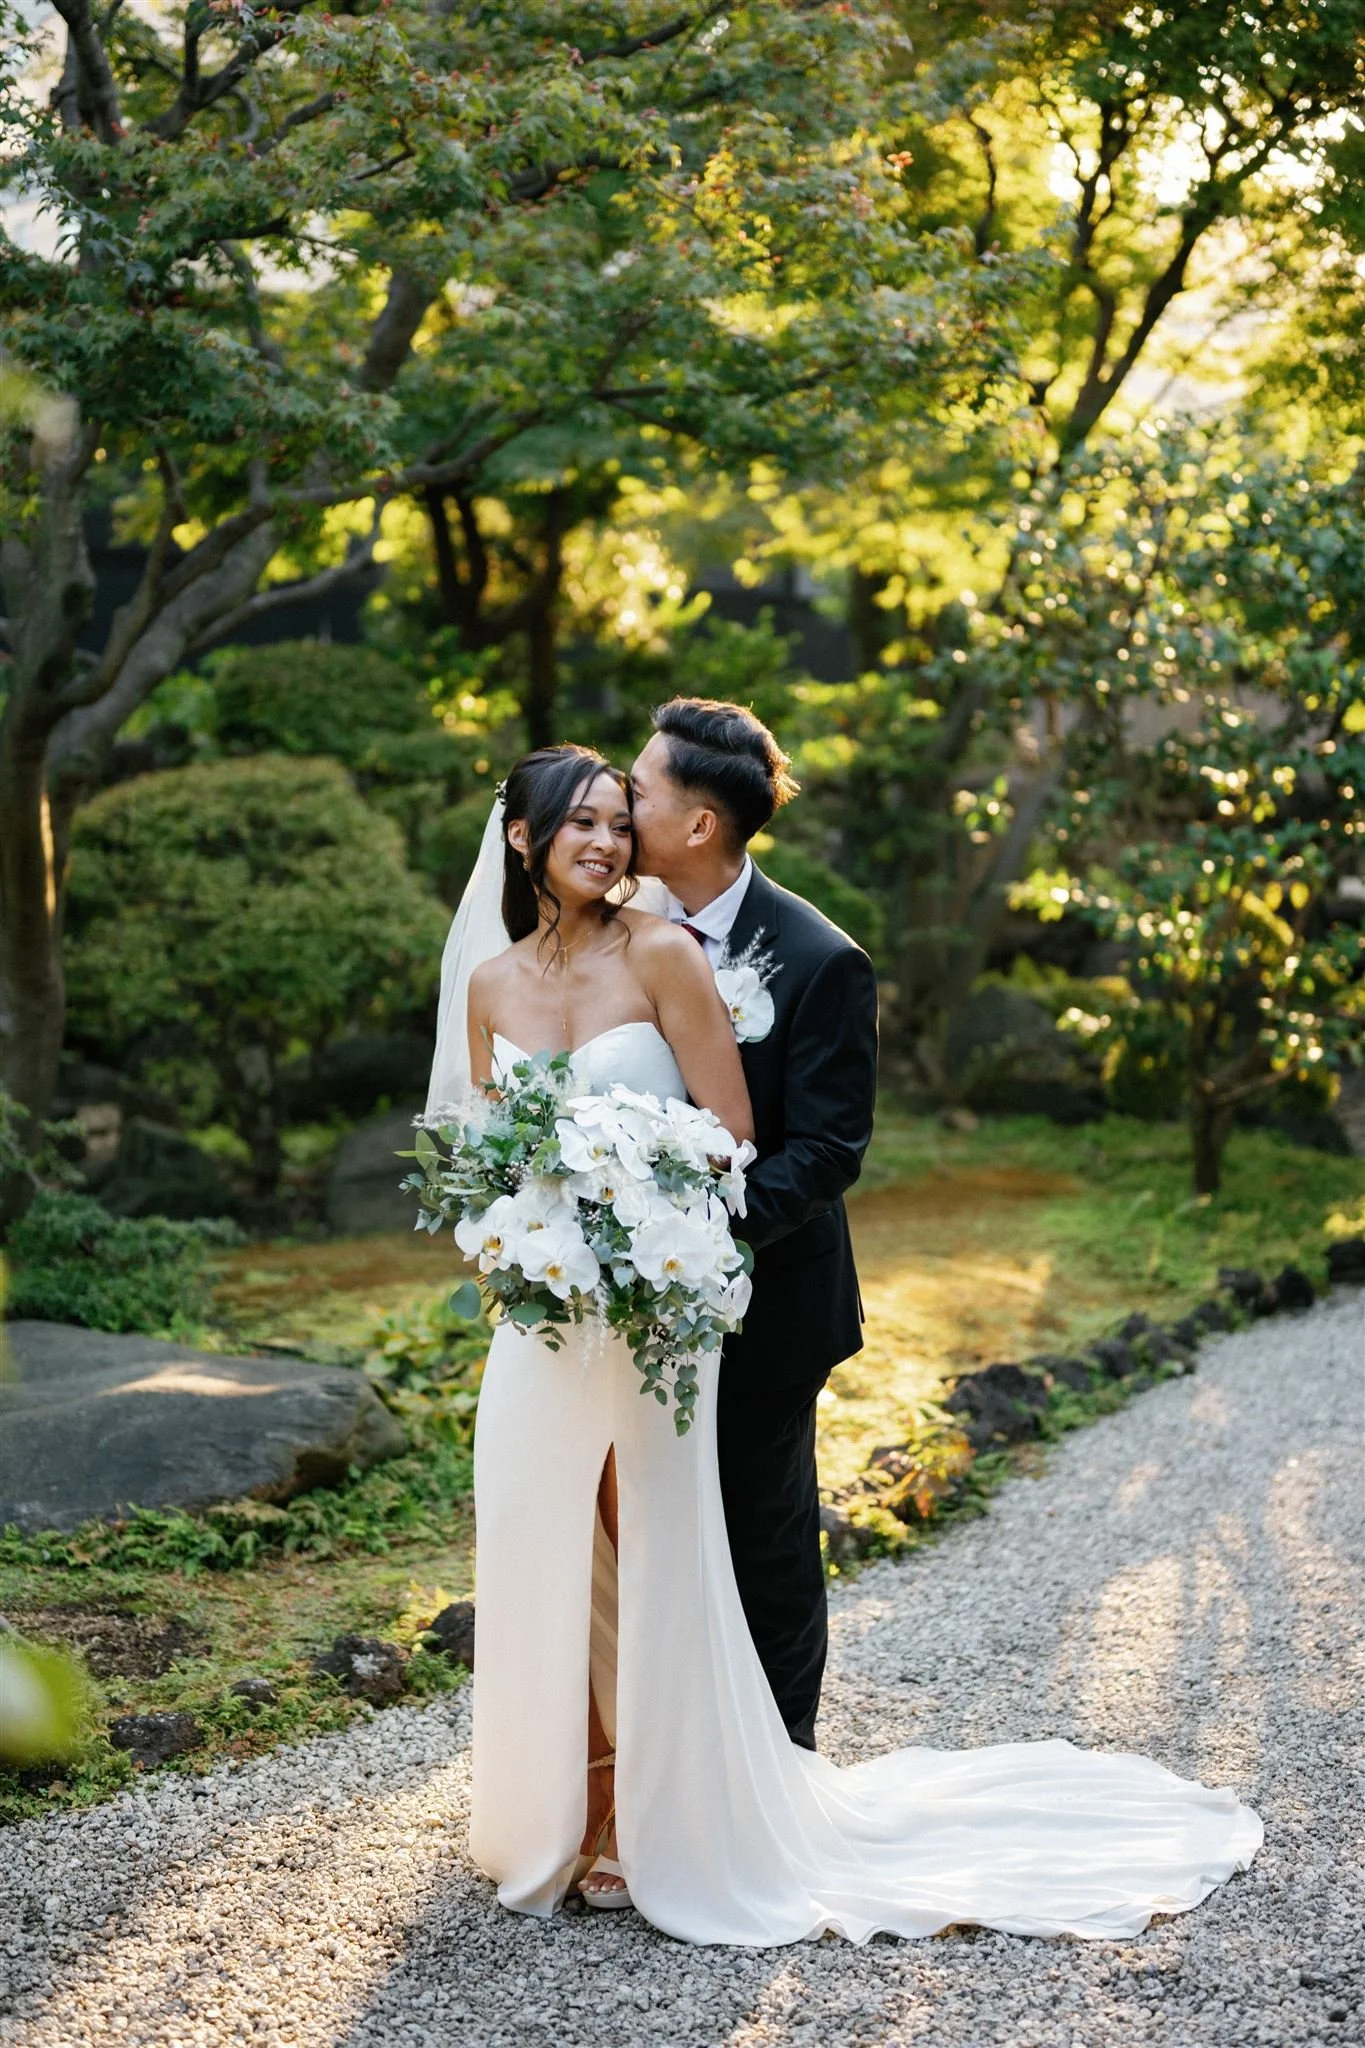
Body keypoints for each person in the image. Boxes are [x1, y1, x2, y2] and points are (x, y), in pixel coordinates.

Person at [427, 733, 1262, 1945]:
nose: (615, 832)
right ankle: (560, 1800)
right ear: (525, 840)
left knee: (734, 1535)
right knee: (554, 1539)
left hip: (699, 1296)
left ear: (690, 821)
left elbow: (763, 1141)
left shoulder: (731, 950)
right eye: (590, 819)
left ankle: (740, 1790)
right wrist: (524, 1233)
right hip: (557, 1318)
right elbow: (488, 1146)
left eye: (632, 805)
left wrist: (653, 1231)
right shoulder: (498, 980)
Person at [629, 698, 877, 1753]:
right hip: (629, 1304)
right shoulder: (612, 925)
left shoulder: (819, 959)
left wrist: (689, 1230)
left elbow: (827, 1153)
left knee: (761, 1533)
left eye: (637, 792)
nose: (614, 804)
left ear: (697, 825)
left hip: (765, 1306)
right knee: (652, 1537)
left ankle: (784, 1767)